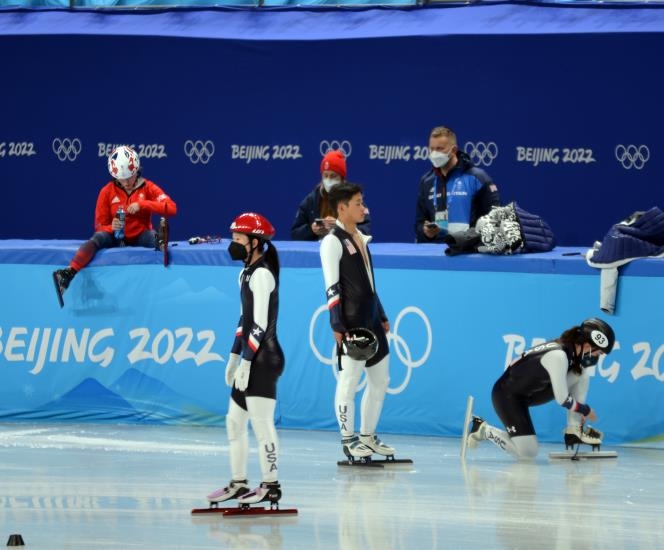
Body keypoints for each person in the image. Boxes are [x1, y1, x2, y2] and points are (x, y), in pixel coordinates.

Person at [207, 212, 285, 506]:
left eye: (238, 239)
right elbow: (244, 319)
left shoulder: (263, 274)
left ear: (254, 242)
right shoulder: (245, 273)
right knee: (234, 423)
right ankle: (239, 483)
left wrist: (248, 360)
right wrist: (233, 356)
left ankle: (271, 485)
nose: (233, 243)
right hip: (251, 356)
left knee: (262, 424)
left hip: (264, 358)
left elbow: (260, 324)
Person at [466, 318, 616, 460]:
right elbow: (562, 399)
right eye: (600, 352)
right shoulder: (559, 356)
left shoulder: (568, 351)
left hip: (530, 393)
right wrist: (585, 410)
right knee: (528, 452)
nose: (598, 356)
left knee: (581, 374)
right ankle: (482, 429)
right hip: (507, 396)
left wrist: (579, 411)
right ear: (589, 344)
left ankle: (574, 430)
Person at [319, 182, 393, 459]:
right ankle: (348, 440)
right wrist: (337, 324)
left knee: (380, 381)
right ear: (342, 208)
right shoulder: (331, 242)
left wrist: (381, 313)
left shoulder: (360, 237)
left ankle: (367, 436)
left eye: (363, 202)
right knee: (349, 383)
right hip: (351, 323)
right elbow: (332, 287)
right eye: (358, 203)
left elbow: (369, 282)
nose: (364, 208)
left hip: (372, 319)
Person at [52, 145, 177, 301]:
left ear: (136, 170)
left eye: (129, 177)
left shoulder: (149, 187)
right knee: (97, 238)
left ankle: (165, 276)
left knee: (154, 239)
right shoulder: (106, 191)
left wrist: (143, 204)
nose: (125, 182)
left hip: (140, 235)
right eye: (121, 178)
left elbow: (172, 208)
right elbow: (99, 225)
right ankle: (67, 274)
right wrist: (113, 226)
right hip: (115, 236)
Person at [415, 126, 500, 243]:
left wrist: (471, 239)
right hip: (435, 253)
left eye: (440, 149)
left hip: (468, 253)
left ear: (453, 150)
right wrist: (425, 232)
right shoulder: (426, 181)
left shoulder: (478, 178)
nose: (435, 153)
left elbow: (494, 219)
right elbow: (419, 223)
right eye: (432, 149)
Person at [291, 150, 371, 240]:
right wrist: (311, 230)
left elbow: (366, 230)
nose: (328, 180)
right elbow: (295, 234)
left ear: (342, 178)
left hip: (346, 251)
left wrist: (341, 227)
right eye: (325, 176)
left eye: (333, 176)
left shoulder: (355, 200)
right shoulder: (311, 200)